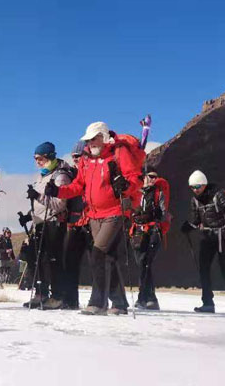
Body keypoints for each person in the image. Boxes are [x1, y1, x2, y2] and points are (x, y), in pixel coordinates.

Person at [45, 122, 143, 315]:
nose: (90, 143)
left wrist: (126, 186)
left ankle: (97, 302)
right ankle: (119, 303)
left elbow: (135, 178)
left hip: (115, 212)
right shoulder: (86, 160)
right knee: (109, 258)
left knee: (98, 253)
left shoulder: (118, 153)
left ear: (104, 137)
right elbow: (78, 186)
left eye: (94, 138)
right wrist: (58, 191)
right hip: (94, 214)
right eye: (88, 140)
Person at [181, 170, 225, 315]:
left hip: (222, 237)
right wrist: (188, 226)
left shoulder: (218, 194)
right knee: (203, 269)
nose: (195, 190)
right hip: (207, 237)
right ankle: (207, 303)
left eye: (197, 186)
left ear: (204, 184)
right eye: (192, 187)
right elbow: (196, 220)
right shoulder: (195, 200)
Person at [24, 142, 73, 309]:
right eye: (35, 158)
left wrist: (37, 196)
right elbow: (41, 202)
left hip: (53, 221)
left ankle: (58, 296)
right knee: (34, 258)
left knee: (52, 259)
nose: (37, 161)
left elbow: (60, 204)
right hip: (39, 222)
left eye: (40, 158)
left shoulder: (60, 176)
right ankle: (41, 293)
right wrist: (28, 216)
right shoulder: (42, 175)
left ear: (50, 157)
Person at [130, 164, 170, 310]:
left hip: (153, 231)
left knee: (145, 263)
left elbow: (163, 212)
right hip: (138, 232)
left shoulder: (158, 193)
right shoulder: (136, 193)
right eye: (151, 176)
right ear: (144, 177)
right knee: (142, 264)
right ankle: (151, 299)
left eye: (155, 177)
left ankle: (143, 298)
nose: (154, 179)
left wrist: (153, 216)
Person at [60, 141, 90, 310]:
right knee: (70, 262)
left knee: (100, 262)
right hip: (74, 223)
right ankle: (70, 300)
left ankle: (114, 301)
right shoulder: (72, 175)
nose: (75, 160)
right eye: (73, 157)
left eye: (78, 156)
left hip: (93, 221)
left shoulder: (92, 173)